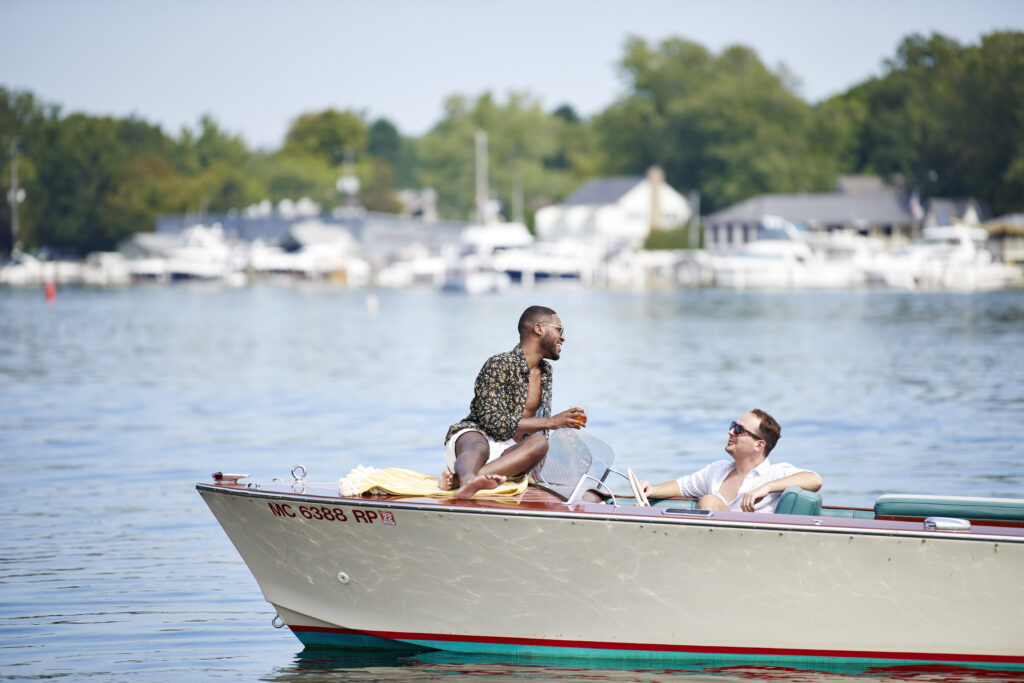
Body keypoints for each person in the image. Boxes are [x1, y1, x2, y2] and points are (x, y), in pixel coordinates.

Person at [440, 305, 586, 499]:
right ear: (539, 328)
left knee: (540, 443)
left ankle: (459, 482)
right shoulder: (499, 364)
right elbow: (493, 423)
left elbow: (538, 434)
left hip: (508, 457)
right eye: (559, 330)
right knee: (477, 444)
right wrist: (553, 421)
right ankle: (467, 479)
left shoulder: (546, 372)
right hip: (474, 440)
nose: (563, 337)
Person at [640, 409, 821, 513]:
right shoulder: (717, 470)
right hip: (712, 550)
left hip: (749, 549)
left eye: (739, 430)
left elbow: (814, 480)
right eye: (732, 426)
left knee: (710, 501)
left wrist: (766, 488)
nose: (730, 432)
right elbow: (682, 486)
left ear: (759, 445)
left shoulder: (774, 474)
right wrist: (652, 489)